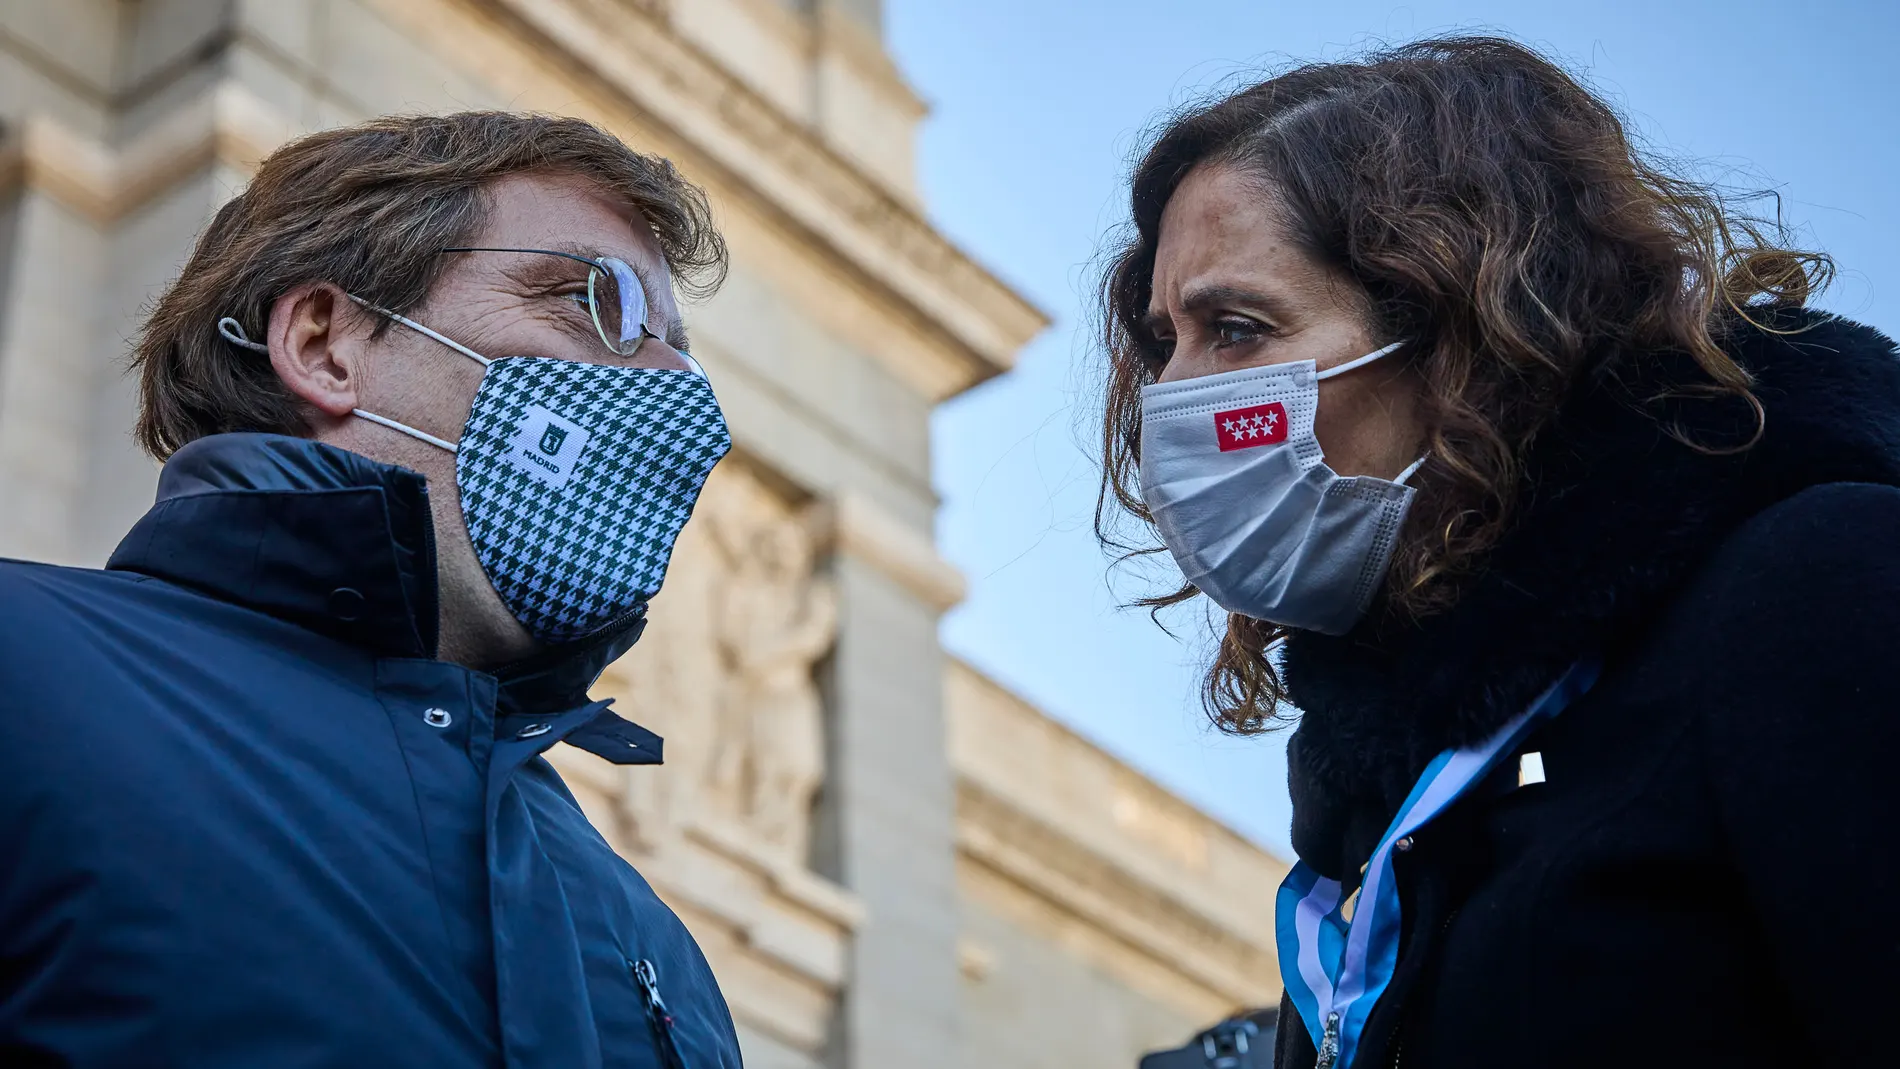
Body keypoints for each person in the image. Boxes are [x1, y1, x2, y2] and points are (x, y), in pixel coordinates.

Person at [1096, 36, 1900, 1069]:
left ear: (1461, 327)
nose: (1171, 397)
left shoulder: (1816, 588)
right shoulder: (1368, 806)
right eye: (1165, 343)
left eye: (1238, 328)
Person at [0, 112, 745, 1068]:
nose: (679, 395)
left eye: (678, 349)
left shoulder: (648, 938)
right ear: (324, 345)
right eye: (595, 303)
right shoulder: (25, 674)